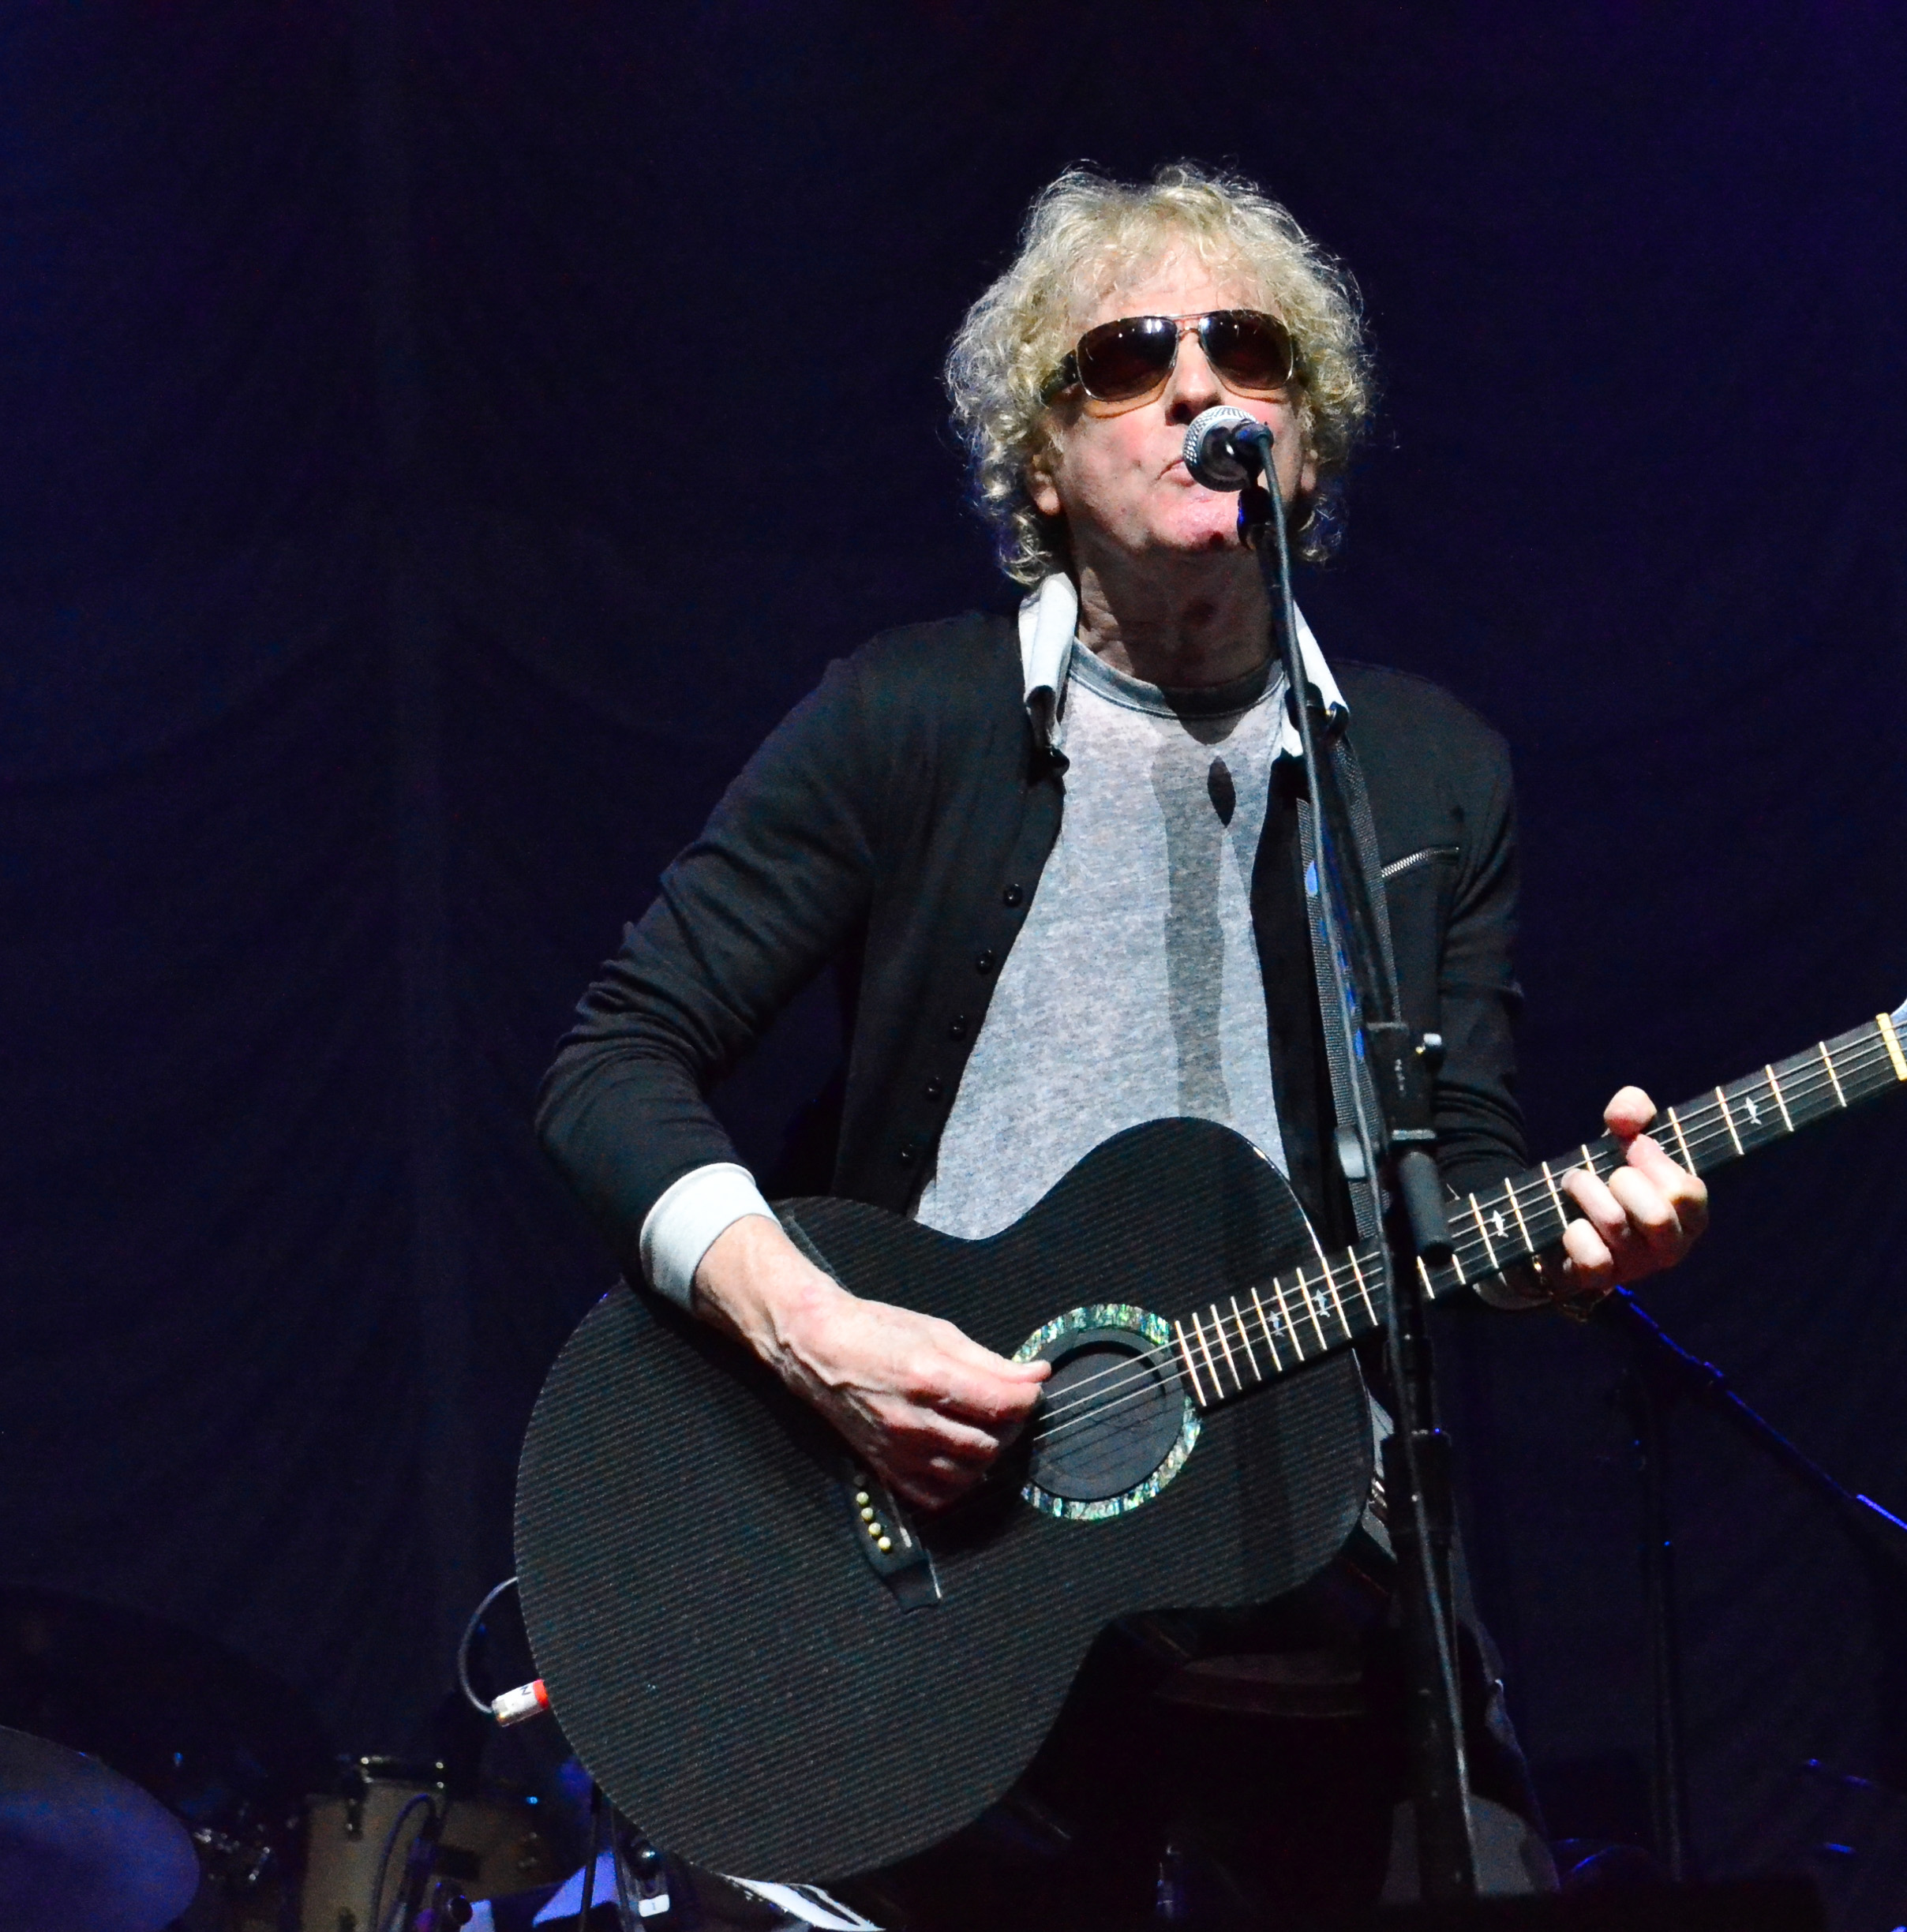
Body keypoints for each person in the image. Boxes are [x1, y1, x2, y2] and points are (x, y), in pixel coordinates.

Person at [534, 164, 1708, 1923]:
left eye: (1246, 351)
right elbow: (612, 1059)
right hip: (954, 1593)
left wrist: (1569, 1248)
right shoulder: (905, 724)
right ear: (1040, 461)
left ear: (1305, 446)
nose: (1195, 387)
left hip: (1316, 1586)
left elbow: (1446, 1178)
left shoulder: (1428, 771)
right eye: (1124, 359)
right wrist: (820, 1331)